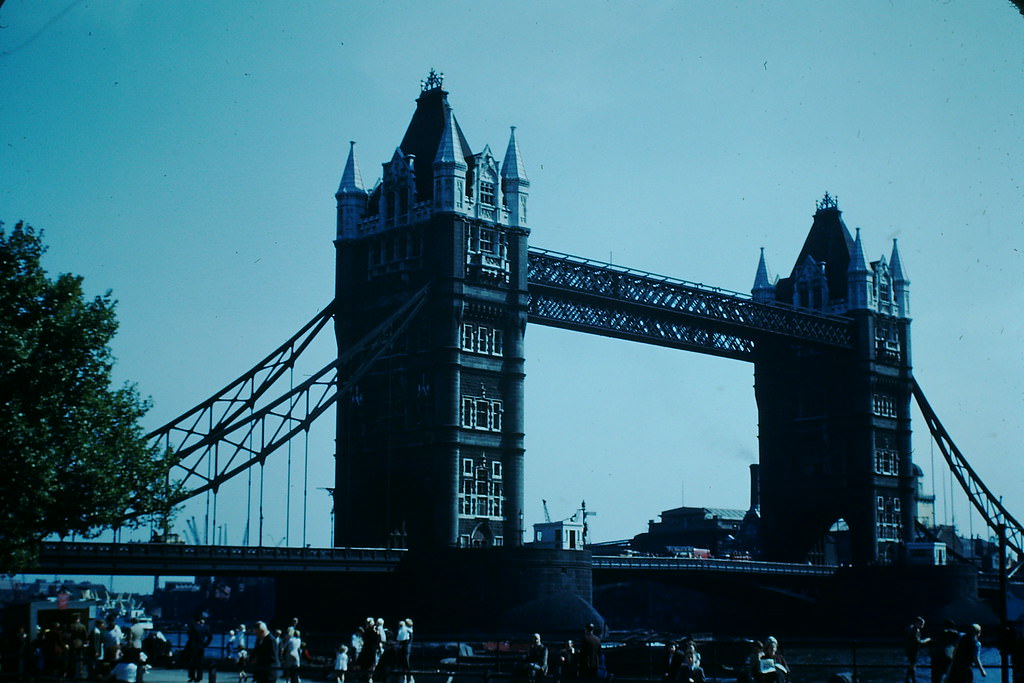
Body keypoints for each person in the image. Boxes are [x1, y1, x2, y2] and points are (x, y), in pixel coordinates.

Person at [185, 614, 213, 683]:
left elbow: (189, 635)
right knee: (200, 663)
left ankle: (192, 676)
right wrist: (205, 644)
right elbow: (210, 637)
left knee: (192, 662)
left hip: (192, 646)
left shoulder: (192, 627)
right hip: (201, 647)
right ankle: (199, 677)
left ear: (194, 620)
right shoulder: (205, 627)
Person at [906, 617, 932, 683]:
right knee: (913, 665)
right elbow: (918, 641)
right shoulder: (915, 631)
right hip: (913, 650)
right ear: (917, 623)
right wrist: (926, 640)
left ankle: (909, 679)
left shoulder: (911, 629)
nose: (922, 626)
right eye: (921, 624)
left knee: (912, 665)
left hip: (910, 649)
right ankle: (912, 679)